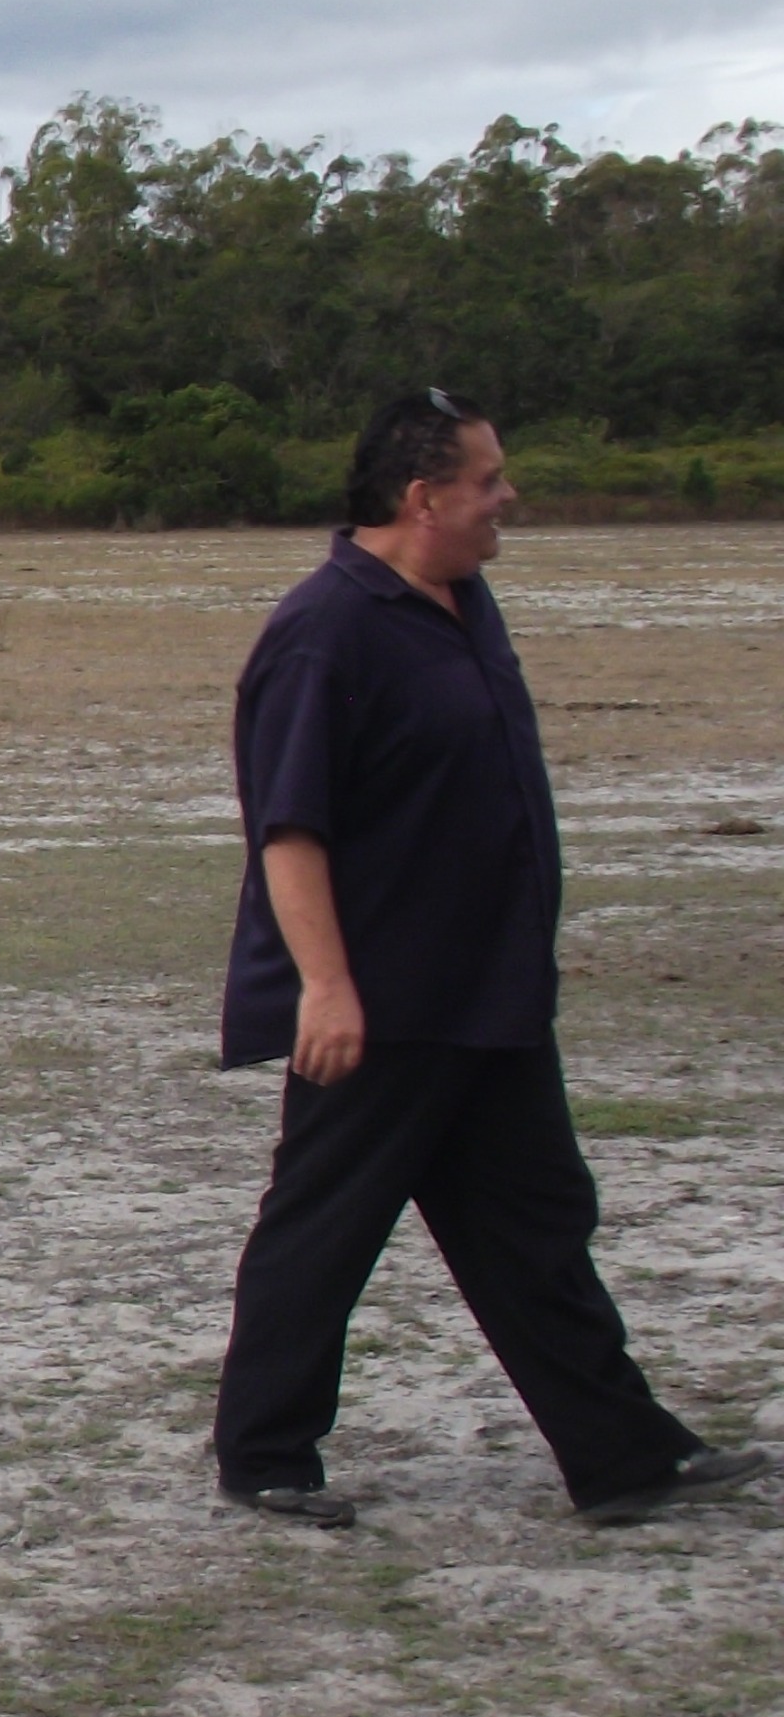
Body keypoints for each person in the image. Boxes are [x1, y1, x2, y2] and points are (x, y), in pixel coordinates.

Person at [212, 390, 763, 1529]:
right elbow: (289, 828)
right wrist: (323, 985)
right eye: (488, 480)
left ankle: (619, 1458)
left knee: (535, 1223)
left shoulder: (460, 601)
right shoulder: (325, 630)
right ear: (422, 498)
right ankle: (261, 1456)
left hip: (488, 989)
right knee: (323, 1225)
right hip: (383, 1000)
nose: (507, 497)